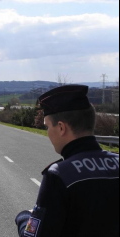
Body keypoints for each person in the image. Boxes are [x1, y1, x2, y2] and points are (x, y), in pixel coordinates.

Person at [15, 85, 119, 237]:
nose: (48, 133)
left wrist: (23, 217)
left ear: (61, 127)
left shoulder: (59, 175)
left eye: (48, 126)